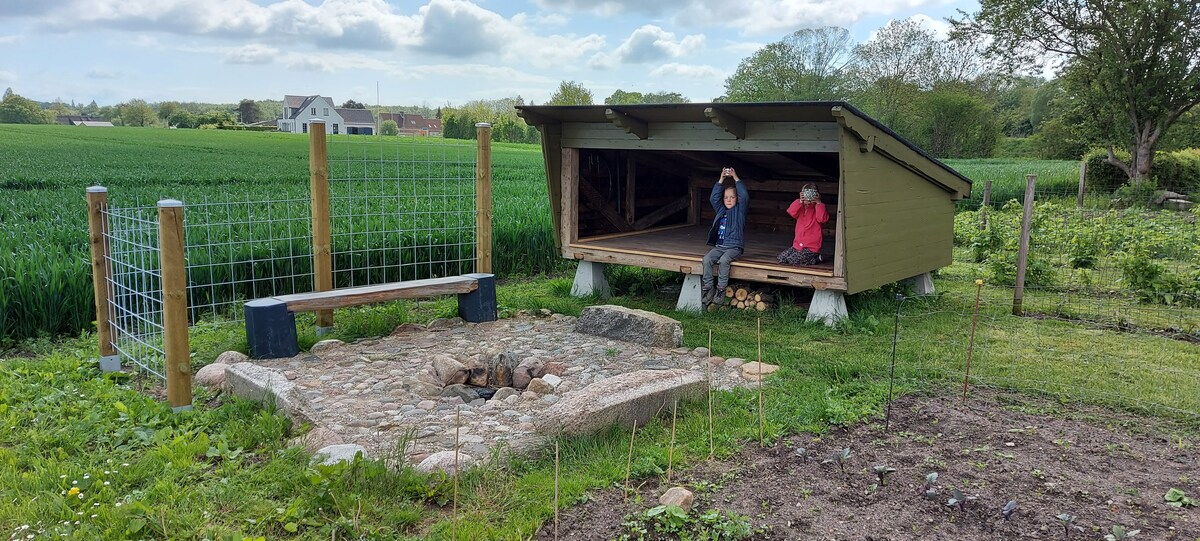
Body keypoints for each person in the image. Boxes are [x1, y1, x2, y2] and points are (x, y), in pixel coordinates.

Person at [701, 167, 749, 305]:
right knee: (707, 259)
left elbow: (744, 196)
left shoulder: (740, 210)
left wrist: (735, 177)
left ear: (737, 199)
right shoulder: (721, 210)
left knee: (724, 260)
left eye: (732, 197)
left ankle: (721, 289)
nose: (728, 200)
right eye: (726, 197)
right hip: (720, 246)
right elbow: (713, 198)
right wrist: (721, 179)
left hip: (734, 247)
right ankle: (708, 287)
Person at [777, 182, 829, 266]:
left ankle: (815, 259)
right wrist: (800, 201)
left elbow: (822, 219)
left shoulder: (818, 208)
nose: (808, 201)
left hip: (811, 248)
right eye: (806, 197)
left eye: (811, 199)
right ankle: (815, 259)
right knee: (781, 258)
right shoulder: (800, 207)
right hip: (797, 246)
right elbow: (791, 212)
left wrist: (819, 203)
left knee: (792, 260)